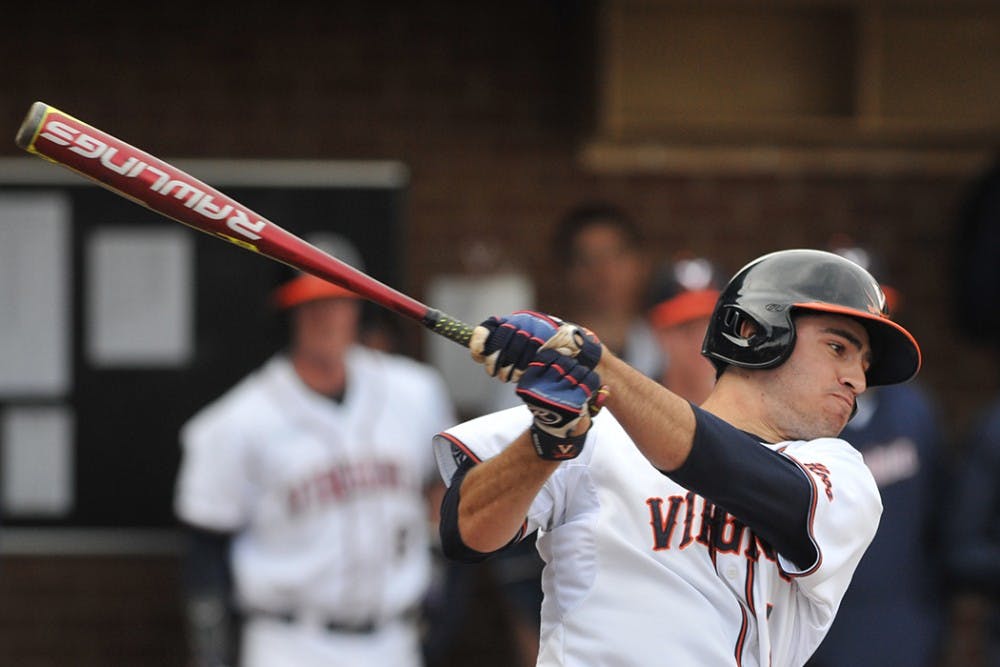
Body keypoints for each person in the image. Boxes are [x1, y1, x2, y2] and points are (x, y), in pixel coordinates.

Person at [435, 248, 922, 666]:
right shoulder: (597, 429)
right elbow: (466, 531)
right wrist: (545, 445)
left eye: (863, 364)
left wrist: (596, 363)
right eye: (838, 348)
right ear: (753, 331)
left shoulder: (842, 473)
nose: (857, 380)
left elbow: (732, 470)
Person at [174, 267, 456, 667]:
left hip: (395, 639)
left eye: (339, 302)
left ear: (359, 308)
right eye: (312, 305)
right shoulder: (235, 422)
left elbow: (445, 494)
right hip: (290, 642)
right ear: (288, 314)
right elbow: (206, 551)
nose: (328, 318)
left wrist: (442, 602)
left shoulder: (417, 392)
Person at [805, 241, 947, 667]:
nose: (864, 329)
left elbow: (940, 525)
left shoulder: (915, 410)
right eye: (842, 319)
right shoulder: (792, 418)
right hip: (812, 635)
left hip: (897, 627)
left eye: (874, 314)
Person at [646, 253, 725, 405]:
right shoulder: (635, 405)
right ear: (658, 333)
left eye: (714, 324)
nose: (703, 339)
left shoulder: (755, 410)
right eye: (687, 328)